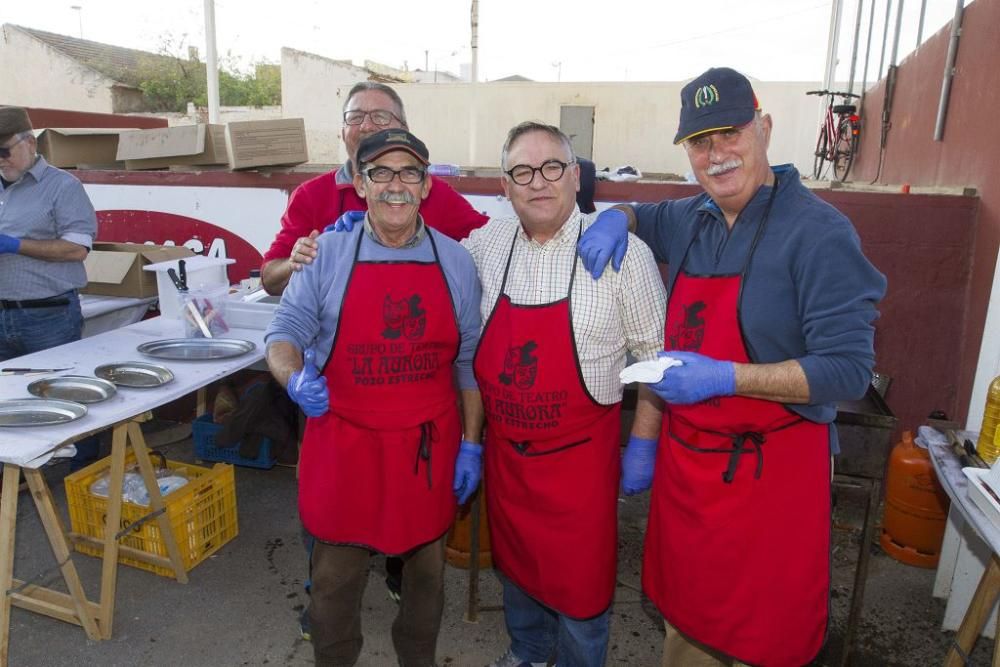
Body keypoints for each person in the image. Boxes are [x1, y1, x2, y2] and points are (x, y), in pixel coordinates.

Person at [577, 67, 887, 667]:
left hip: (770, 482)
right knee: (686, 632)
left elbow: (849, 370)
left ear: (764, 128)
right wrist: (618, 217)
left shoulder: (819, 234)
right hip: (689, 474)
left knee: (761, 639)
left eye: (730, 134)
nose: (716, 155)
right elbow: (645, 214)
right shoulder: (692, 216)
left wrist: (728, 377)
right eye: (699, 141)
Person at [265, 128, 484, 667]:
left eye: (409, 172)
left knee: (426, 577)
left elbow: (468, 363)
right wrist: (293, 378)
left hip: (425, 450)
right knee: (334, 581)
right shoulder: (325, 254)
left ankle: (418, 659)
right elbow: (283, 334)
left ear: (427, 185)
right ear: (360, 185)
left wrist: (472, 443)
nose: (395, 185)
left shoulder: (455, 262)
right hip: (345, 446)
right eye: (380, 173)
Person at [467, 123, 666, 667]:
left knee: (581, 598)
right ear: (504, 187)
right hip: (508, 464)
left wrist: (643, 443)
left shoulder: (627, 255)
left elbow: (656, 361)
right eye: (522, 172)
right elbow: (430, 265)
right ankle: (528, 653)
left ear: (575, 177)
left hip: (580, 471)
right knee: (516, 573)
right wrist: (366, 232)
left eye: (552, 167)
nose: (538, 183)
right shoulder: (484, 246)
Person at [260, 81, 487, 295]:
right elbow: (269, 279)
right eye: (355, 117)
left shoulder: (433, 192)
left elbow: (491, 244)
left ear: (404, 129)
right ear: (342, 132)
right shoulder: (311, 195)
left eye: (380, 116)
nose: (366, 126)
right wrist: (298, 262)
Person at [0, 106, 100, 470]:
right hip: (2, 313)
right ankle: (21, 473)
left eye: (3, 152)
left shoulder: (62, 186)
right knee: (7, 403)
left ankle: (85, 478)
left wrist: (14, 244)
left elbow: (77, 248)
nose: (0, 161)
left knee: (69, 400)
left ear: (29, 142)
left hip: (48, 315)